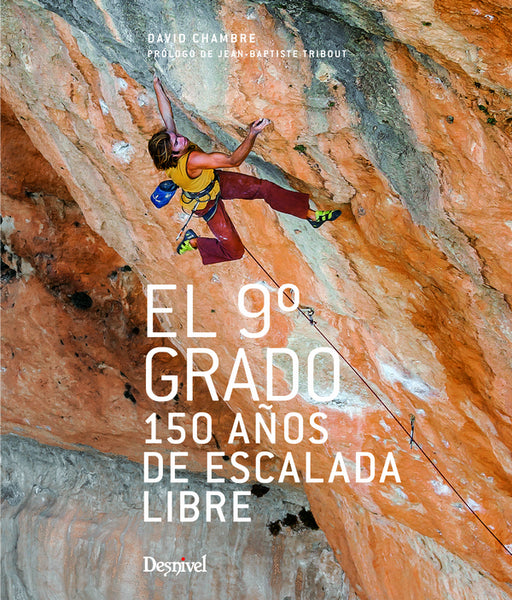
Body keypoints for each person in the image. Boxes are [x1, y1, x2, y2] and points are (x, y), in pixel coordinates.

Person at [148, 76, 341, 265]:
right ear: (174, 155)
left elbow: (167, 116)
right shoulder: (193, 160)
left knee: (264, 188)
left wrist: (157, 85)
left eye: (175, 136)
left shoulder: (169, 151)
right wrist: (252, 134)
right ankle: (194, 242)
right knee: (235, 252)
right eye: (177, 142)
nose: (181, 138)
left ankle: (311, 215)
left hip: (214, 181)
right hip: (204, 203)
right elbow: (233, 161)